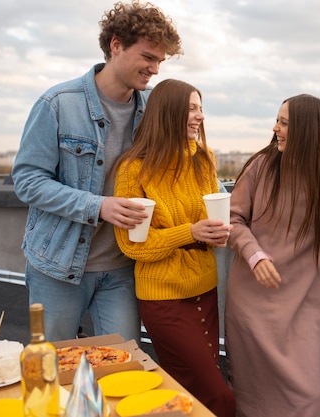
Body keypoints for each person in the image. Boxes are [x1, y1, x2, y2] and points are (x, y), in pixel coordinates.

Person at [11, 1, 182, 342]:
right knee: (57, 369)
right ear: (116, 45)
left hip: (122, 268)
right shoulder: (57, 103)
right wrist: (98, 205)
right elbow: (28, 181)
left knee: (124, 367)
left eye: (160, 61)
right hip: (57, 267)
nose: (155, 70)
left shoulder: (153, 111)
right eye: (148, 57)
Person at [225, 93, 320, 417]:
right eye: (278, 121)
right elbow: (233, 219)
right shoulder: (259, 167)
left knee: (307, 399)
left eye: (284, 122)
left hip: (306, 308)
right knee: (249, 400)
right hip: (252, 307)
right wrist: (255, 255)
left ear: (307, 130)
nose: (275, 128)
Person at [112, 79, 235, 417]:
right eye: (193, 109)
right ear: (169, 114)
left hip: (205, 290)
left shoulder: (203, 160)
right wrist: (191, 232)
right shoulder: (133, 170)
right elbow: (133, 246)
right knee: (219, 397)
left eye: (200, 108)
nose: (201, 117)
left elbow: (214, 214)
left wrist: (217, 231)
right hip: (163, 299)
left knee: (189, 397)